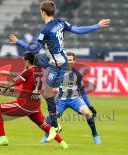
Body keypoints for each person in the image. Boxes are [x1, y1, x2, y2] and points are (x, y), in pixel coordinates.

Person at [9, 0, 110, 141]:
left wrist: (19, 42)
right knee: (40, 76)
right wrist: (97, 26)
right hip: (55, 61)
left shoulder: (45, 30)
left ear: (42, 12)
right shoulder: (61, 22)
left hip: (58, 65)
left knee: (46, 91)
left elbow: (34, 48)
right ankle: (54, 123)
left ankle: (55, 126)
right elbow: (78, 30)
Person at [0, 52, 68, 149]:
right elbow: (24, 77)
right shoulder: (40, 71)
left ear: (27, 61)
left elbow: (9, 84)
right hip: (35, 105)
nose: (23, 62)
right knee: (43, 125)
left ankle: (2, 138)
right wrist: (9, 73)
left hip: (24, 105)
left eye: (24, 60)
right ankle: (63, 143)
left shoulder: (28, 72)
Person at [39, 52, 101, 144]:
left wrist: (90, 106)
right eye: (66, 60)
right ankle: (46, 137)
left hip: (75, 99)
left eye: (70, 60)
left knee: (88, 114)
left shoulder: (77, 74)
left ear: (74, 61)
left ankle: (95, 135)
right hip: (61, 100)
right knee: (51, 117)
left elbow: (82, 91)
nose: (68, 62)